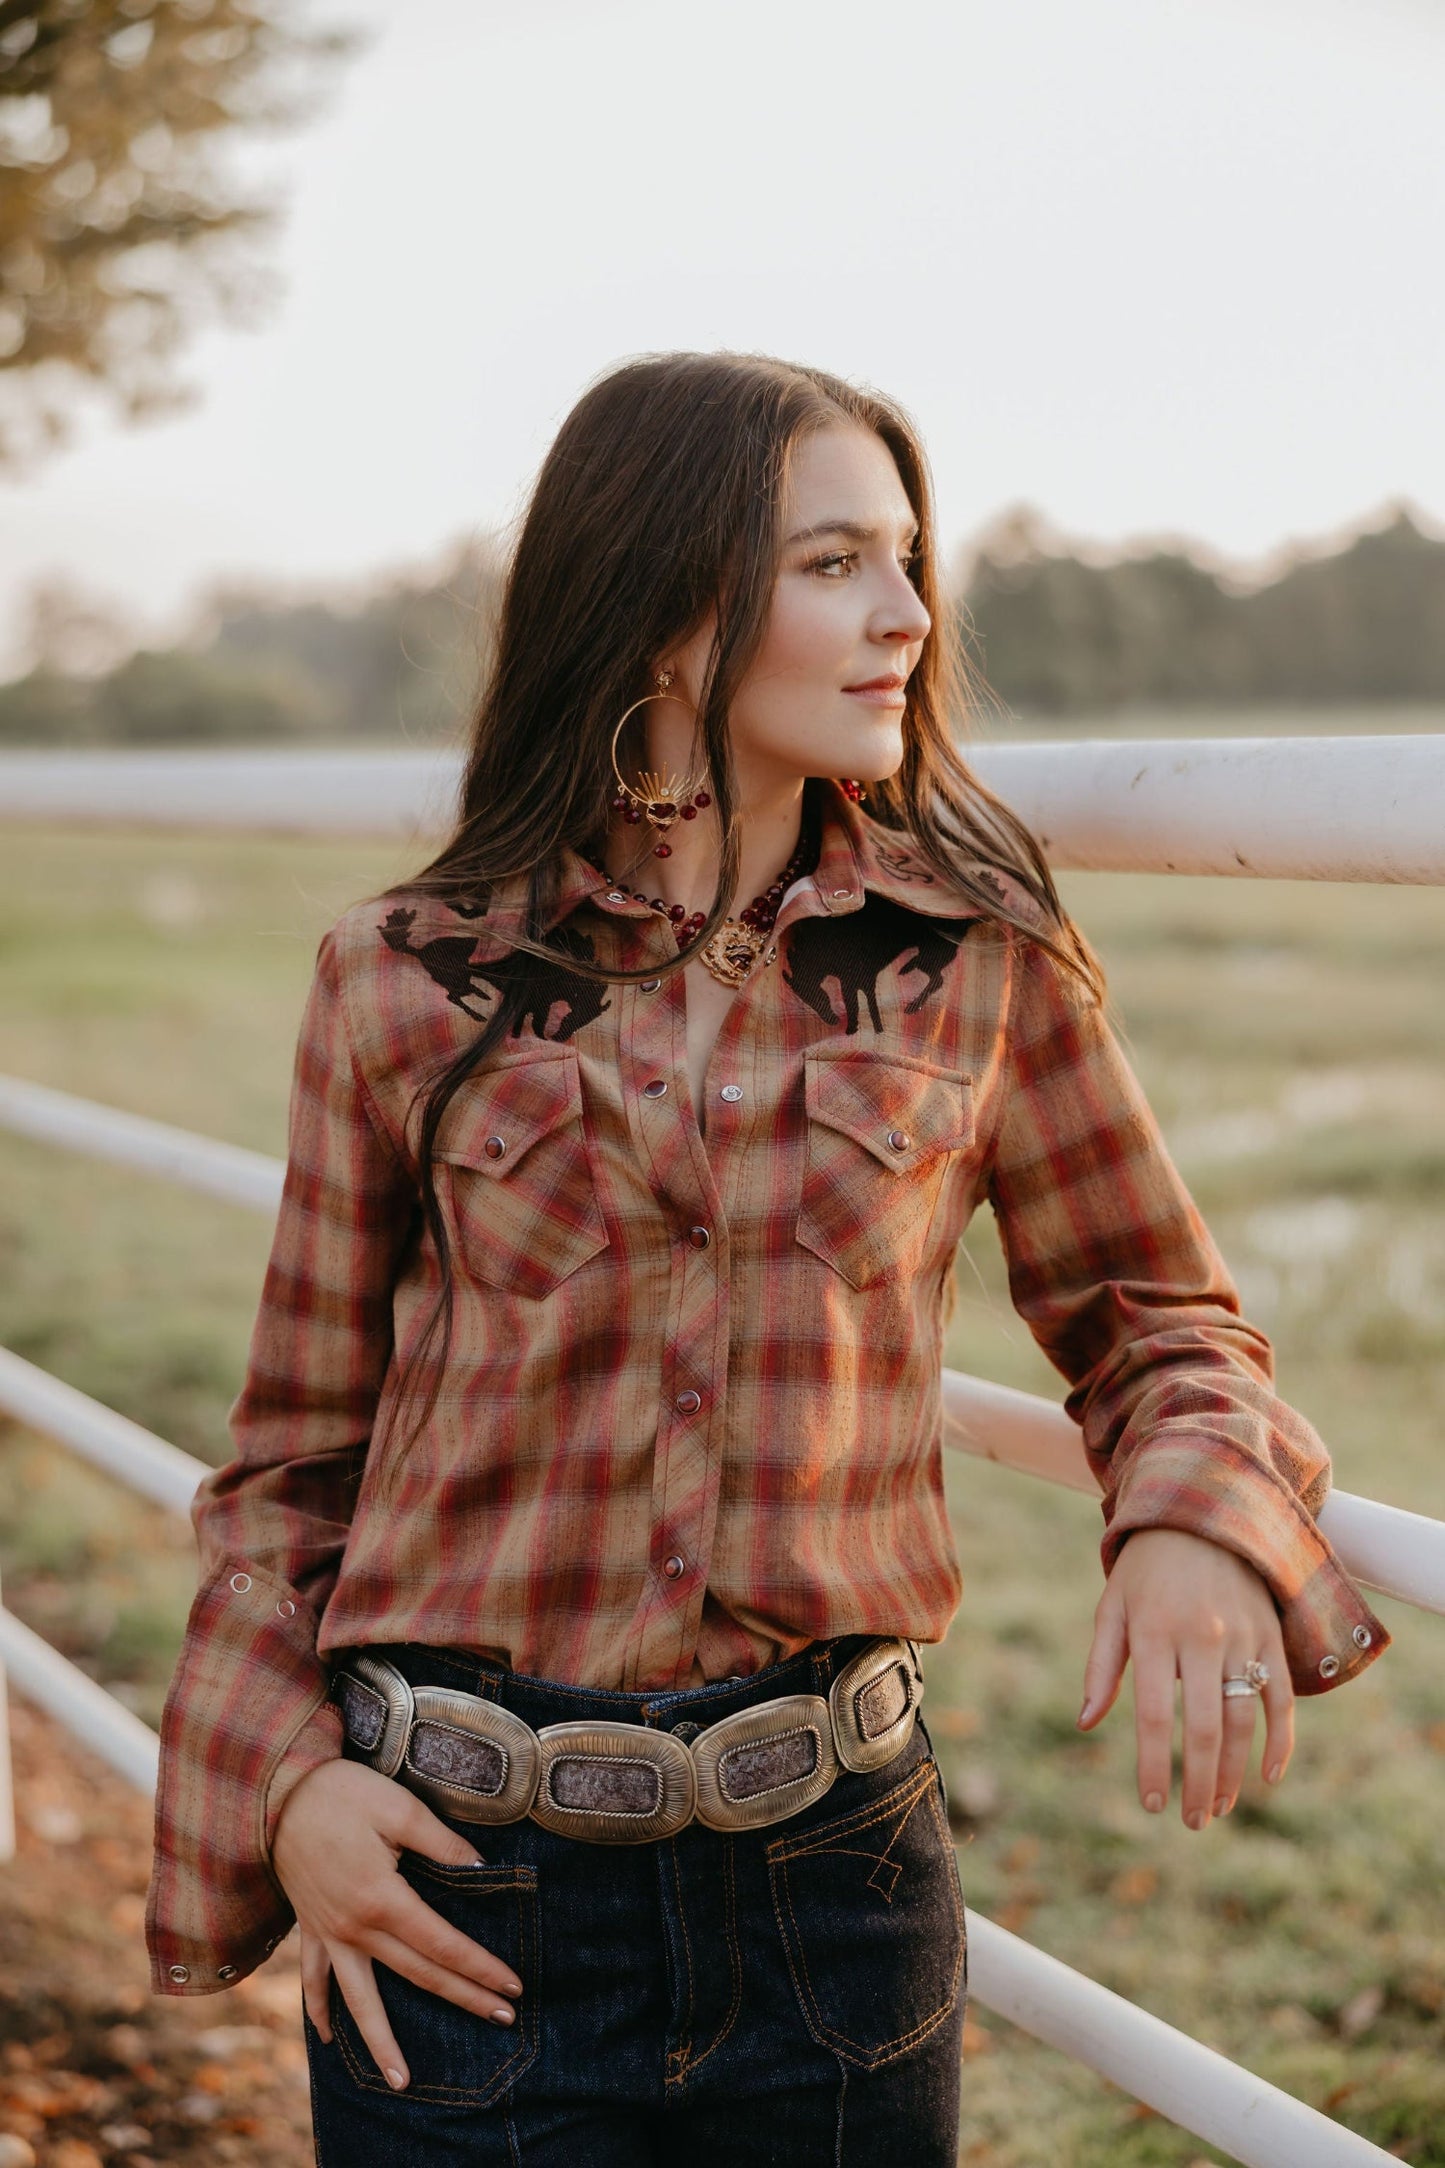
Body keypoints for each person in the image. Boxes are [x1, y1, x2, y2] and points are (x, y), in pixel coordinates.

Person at [144, 350, 1388, 2164]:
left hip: (836, 1905)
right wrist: (292, 1788)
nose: (904, 615)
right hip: (455, 1893)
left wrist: (1193, 1509)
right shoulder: (407, 977)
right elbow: (285, 1465)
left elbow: (1160, 1317)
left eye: (905, 560)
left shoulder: (973, 964)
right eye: (831, 565)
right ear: (661, 608)